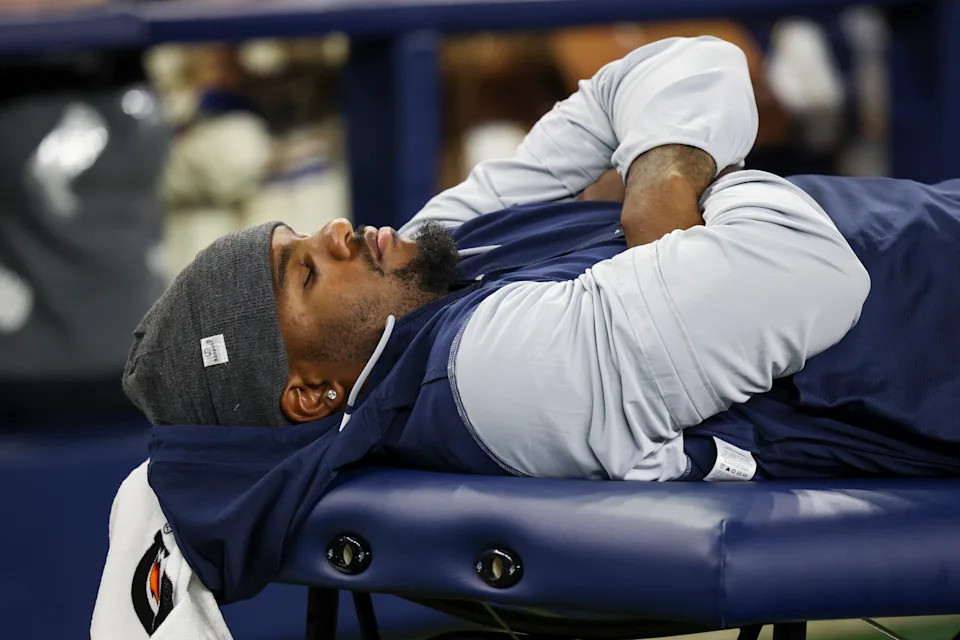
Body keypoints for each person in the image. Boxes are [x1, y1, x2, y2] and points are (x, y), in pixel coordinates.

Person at [94, 36, 960, 637]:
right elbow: (810, 269)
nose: (336, 232)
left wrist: (667, 174)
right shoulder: (493, 376)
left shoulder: (420, 263)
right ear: (313, 393)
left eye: (298, 238)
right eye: (305, 275)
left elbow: (674, 64)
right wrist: (709, 171)